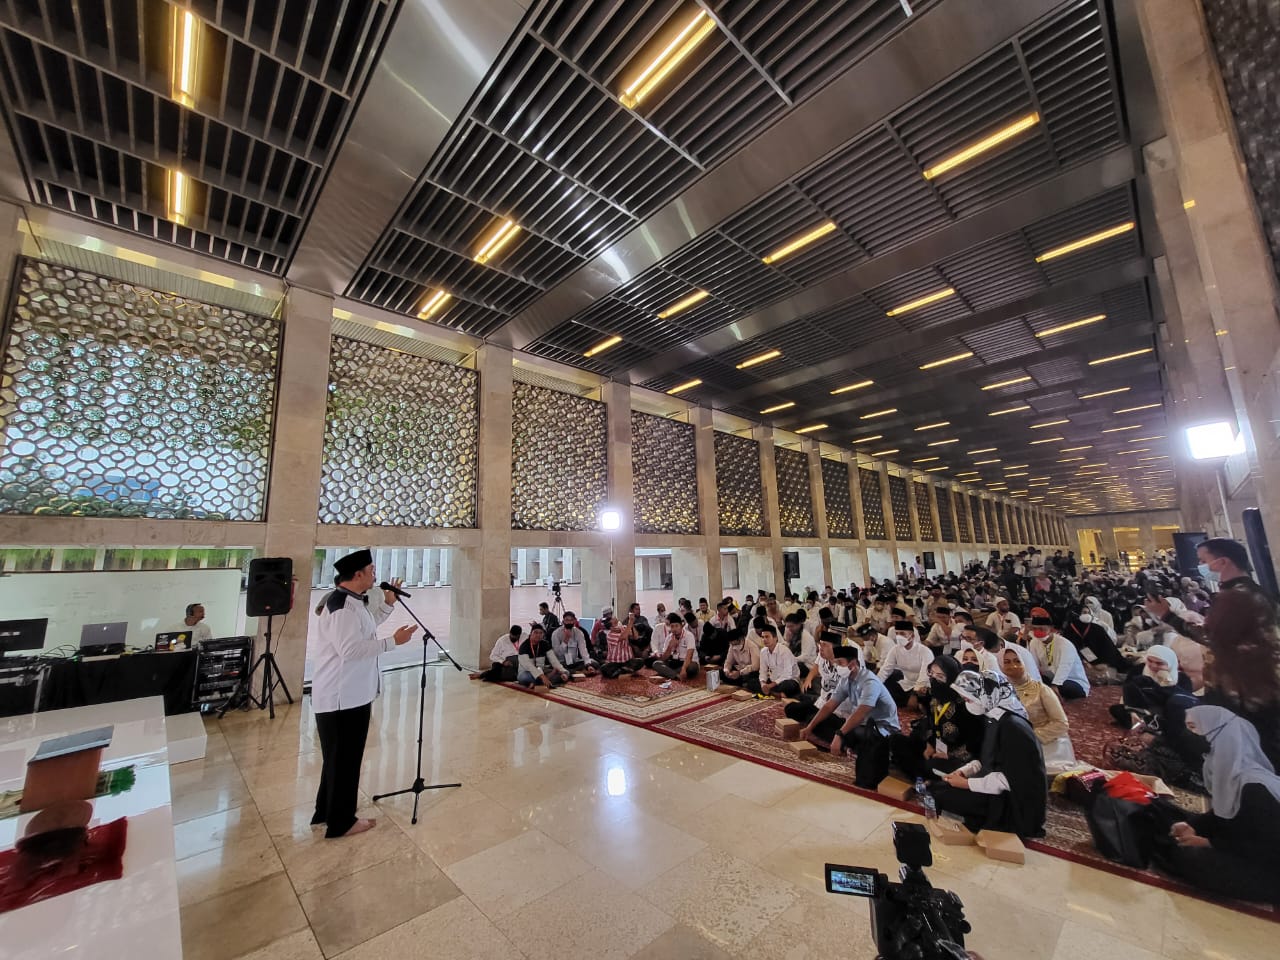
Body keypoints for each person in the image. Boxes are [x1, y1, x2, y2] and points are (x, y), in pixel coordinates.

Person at [311, 549, 417, 839]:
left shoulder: (351, 604)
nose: (374, 574)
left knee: (337, 759)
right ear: (357, 574)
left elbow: (366, 632)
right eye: (370, 570)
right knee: (345, 760)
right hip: (341, 698)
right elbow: (351, 650)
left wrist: (388, 605)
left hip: (348, 695)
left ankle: (325, 812)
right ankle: (342, 822)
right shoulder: (343, 607)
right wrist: (393, 643)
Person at [1152, 706, 1280, 905]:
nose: (1191, 736)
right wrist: (1194, 825)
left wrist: (1209, 843)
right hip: (1249, 849)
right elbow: (1225, 813)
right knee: (1169, 818)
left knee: (1189, 857)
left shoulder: (1255, 787)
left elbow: (1266, 848)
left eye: (1195, 729)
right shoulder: (1233, 771)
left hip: (1271, 871)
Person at [929, 670, 1047, 839]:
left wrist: (966, 783)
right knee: (940, 785)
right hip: (993, 783)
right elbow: (986, 757)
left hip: (1014, 803)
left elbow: (1010, 780)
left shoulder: (1013, 728)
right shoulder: (993, 716)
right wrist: (965, 772)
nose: (966, 701)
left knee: (942, 794)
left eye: (969, 698)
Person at [1145, 537, 1277, 646]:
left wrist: (1166, 615)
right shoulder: (1248, 590)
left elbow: (1211, 637)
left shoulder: (1235, 596)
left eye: (1203, 560)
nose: (1200, 565)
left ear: (1223, 562)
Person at [800, 647, 900, 766]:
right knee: (814, 720)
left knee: (854, 732)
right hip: (861, 724)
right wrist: (810, 727)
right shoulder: (845, 680)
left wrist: (839, 734)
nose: (837, 667)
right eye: (836, 663)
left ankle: (857, 746)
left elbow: (860, 714)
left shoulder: (870, 682)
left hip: (881, 728)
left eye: (840, 663)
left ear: (852, 664)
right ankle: (849, 745)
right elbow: (830, 705)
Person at [890, 655, 983, 781]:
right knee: (897, 740)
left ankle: (924, 775)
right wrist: (930, 744)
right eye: (932, 674)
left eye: (940, 676)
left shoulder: (966, 704)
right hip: (938, 747)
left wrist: (949, 755)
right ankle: (924, 775)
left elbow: (975, 743)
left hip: (958, 758)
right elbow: (932, 725)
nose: (934, 679)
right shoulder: (935, 697)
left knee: (931, 766)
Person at [1001, 648, 1074, 766]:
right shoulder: (1001, 692)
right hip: (1011, 743)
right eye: (1007, 662)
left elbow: (1061, 723)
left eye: (1017, 661)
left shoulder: (1041, 690)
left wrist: (1030, 737)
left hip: (1044, 744)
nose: (1013, 666)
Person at [786, 637, 857, 727]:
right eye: (820, 644)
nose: (820, 647)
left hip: (838, 711)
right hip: (821, 704)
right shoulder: (822, 656)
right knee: (790, 708)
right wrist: (808, 679)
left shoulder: (845, 668)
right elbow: (816, 666)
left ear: (834, 648)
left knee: (815, 722)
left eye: (825, 645)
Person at [1027, 612, 1090, 699]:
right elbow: (1033, 665)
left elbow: (1065, 666)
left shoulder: (1064, 644)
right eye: (1035, 629)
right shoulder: (1034, 642)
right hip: (1050, 678)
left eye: (1041, 629)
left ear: (1051, 629)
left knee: (1063, 687)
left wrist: (1055, 685)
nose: (1037, 632)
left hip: (1071, 680)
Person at [876, 619, 931, 708]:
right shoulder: (895, 650)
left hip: (923, 686)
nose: (898, 637)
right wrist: (875, 686)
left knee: (919, 702)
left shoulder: (924, 651)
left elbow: (925, 674)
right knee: (886, 683)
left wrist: (915, 693)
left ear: (912, 636)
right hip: (906, 683)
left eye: (902, 634)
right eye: (897, 634)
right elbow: (885, 669)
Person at [755, 621, 801, 697]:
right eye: (762, 637)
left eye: (767, 637)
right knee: (753, 681)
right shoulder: (763, 651)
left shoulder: (784, 651)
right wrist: (763, 684)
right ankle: (778, 694)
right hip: (773, 680)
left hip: (789, 680)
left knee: (788, 686)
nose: (764, 640)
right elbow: (763, 671)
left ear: (775, 638)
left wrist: (769, 686)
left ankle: (773, 693)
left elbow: (788, 674)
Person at [517, 623, 569, 689]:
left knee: (565, 673)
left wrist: (563, 672)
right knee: (524, 677)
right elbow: (528, 666)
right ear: (530, 634)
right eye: (536, 632)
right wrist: (542, 676)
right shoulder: (524, 646)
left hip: (542, 671)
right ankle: (544, 681)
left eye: (541, 633)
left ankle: (536, 683)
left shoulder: (545, 644)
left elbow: (554, 660)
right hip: (527, 672)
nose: (538, 635)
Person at [652, 612, 700, 680]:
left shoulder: (689, 636)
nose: (674, 629)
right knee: (656, 664)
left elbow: (689, 655)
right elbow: (663, 658)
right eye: (672, 626)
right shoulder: (669, 638)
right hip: (675, 662)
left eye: (676, 626)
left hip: (688, 662)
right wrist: (670, 647)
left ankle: (669, 674)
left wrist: (683, 669)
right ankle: (676, 675)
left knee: (692, 668)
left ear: (681, 626)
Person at [550, 612, 597, 677]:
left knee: (594, 663)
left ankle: (578, 672)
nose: (569, 622)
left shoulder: (578, 632)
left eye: (571, 620)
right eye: (567, 620)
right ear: (563, 621)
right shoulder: (556, 633)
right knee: (558, 670)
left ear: (574, 621)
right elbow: (557, 653)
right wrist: (566, 639)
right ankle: (578, 672)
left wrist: (588, 665)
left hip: (574, 662)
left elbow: (583, 649)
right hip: (561, 663)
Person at [600, 614, 642, 679]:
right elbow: (623, 637)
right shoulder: (610, 635)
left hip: (627, 661)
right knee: (604, 669)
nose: (614, 618)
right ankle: (625, 672)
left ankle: (622, 672)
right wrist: (630, 623)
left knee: (640, 661)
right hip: (615, 662)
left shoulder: (624, 628)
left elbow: (636, 637)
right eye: (613, 620)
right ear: (611, 628)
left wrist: (632, 624)